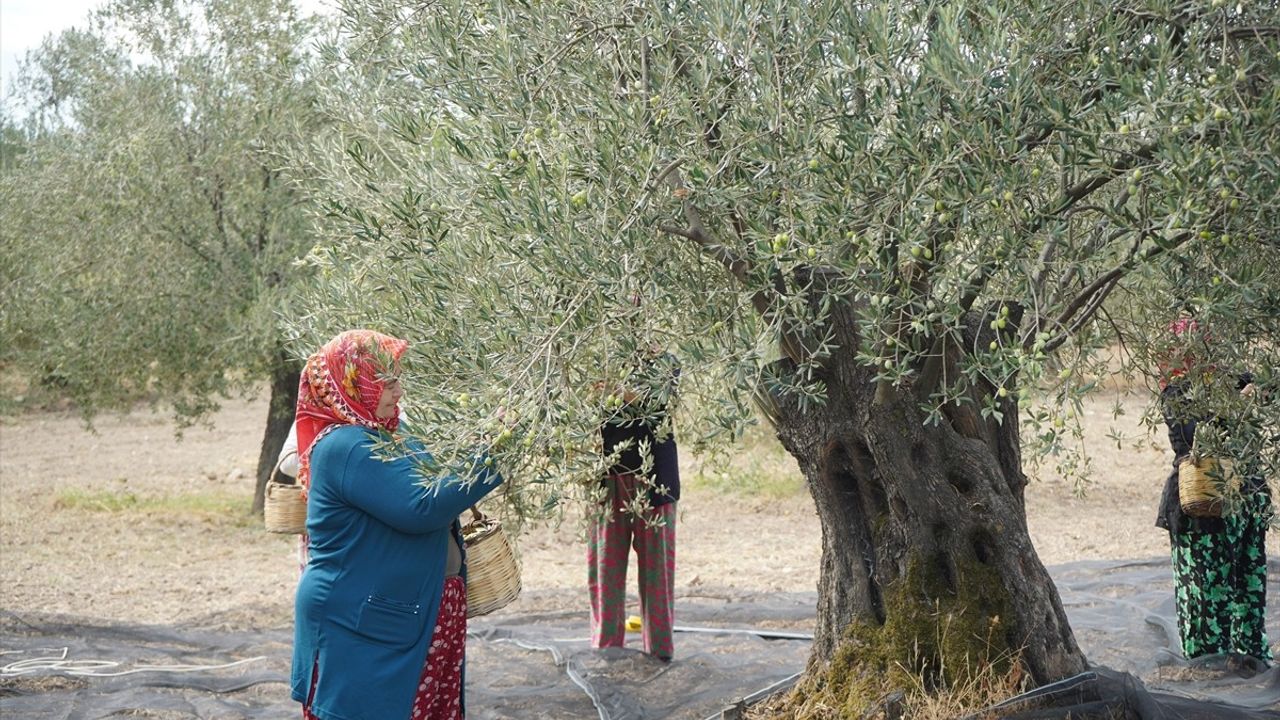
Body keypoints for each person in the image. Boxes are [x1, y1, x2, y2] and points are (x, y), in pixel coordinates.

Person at [290, 329, 503, 720]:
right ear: (355, 385)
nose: (398, 390)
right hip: (359, 624)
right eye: (386, 381)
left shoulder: (390, 435)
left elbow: (438, 478)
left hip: (407, 614)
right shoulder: (347, 447)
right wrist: (494, 456)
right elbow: (421, 505)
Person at [1154, 315, 1272, 667]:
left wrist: (1263, 387)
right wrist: (1237, 407)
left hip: (1247, 497)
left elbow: (1269, 389)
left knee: (1248, 580)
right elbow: (1195, 439)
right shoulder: (1176, 393)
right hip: (1203, 503)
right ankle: (1207, 664)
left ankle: (1249, 657)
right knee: (1204, 589)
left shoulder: (1230, 379)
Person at [589, 348, 680, 661]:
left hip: (655, 480)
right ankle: (606, 652)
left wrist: (619, 391)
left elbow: (658, 402)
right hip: (605, 480)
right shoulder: (592, 354)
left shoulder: (665, 363)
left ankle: (660, 652)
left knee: (657, 574)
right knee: (606, 575)